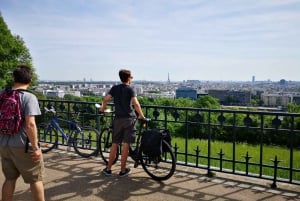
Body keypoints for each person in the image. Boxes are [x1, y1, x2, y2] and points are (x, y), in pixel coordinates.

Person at [0, 65, 45, 201]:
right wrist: (36, 147)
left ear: (14, 78)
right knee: (35, 179)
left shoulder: (2, 94)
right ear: (30, 80)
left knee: (9, 179)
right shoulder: (29, 97)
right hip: (23, 146)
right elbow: (30, 124)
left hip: (4, 143)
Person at [101, 69, 145, 177]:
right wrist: (141, 116)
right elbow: (135, 103)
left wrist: (102, 109)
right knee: (126, 145)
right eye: (131, 77)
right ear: (129, 78)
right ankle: (122, 170)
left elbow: (106, 99)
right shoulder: (130, 89)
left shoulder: (115, 88)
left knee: (114, 144)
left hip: (118, 120)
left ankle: (108, 169)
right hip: (129, 120)